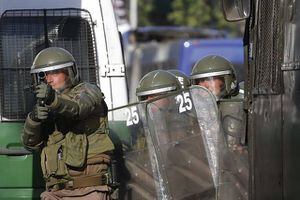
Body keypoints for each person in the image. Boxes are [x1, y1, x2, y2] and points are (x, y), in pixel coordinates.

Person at [21, 47, 116, 200]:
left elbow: (78, 108)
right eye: (44, 75)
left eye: (55, 73)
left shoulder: (88, 90)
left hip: (88, 191)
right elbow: (30, 143)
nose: (49, 79)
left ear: (70, 73)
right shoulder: (46, 105)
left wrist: (54, 100)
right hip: (55, 193)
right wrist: (34, 119)